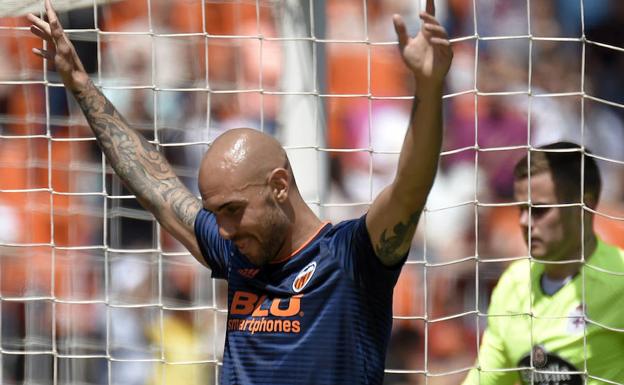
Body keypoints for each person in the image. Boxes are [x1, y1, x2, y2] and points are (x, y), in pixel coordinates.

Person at [27, 0, 452, 383]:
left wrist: (429, 88)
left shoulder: (349, 257)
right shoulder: (237, 252)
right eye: (217, 212)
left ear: (279, 186)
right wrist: (79, 81)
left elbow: (410, 187)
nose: (223, 228)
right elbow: (156, 185)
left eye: (232, 210)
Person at [463, 142, 624, 385]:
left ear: (584, 206)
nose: (525, 222)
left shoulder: (619, 279)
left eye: (539, 210)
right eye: (521, 209)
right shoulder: (513, 284)